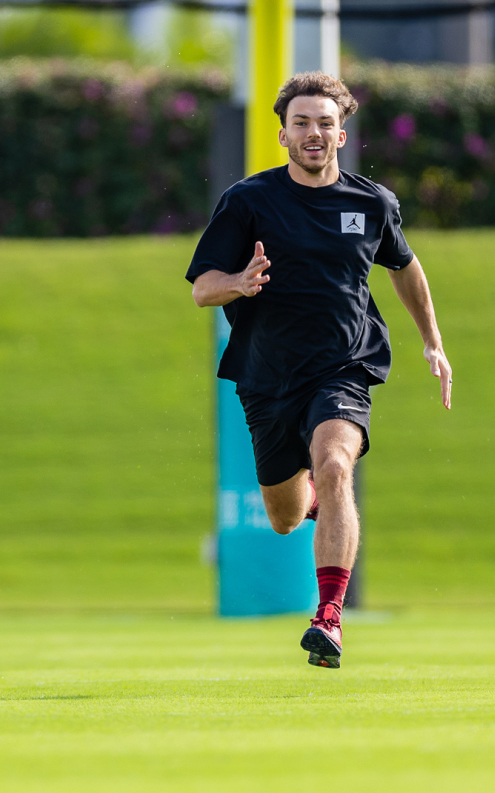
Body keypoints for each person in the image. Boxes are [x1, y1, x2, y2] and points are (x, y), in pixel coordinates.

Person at [186, 72, 451, 669]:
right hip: (267, 376)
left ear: (342, 132)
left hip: (344, 367)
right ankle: (311, 502)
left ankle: (328, 618)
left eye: (325, 123)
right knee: (283, 519)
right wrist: (239, 282)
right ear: (282, 134)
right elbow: (202, 289)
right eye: (302, 122)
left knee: (335, 467)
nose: (314, 133)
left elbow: (405, 267)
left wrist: (433, 342)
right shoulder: (248, 201)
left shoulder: (372, 203)